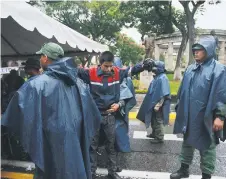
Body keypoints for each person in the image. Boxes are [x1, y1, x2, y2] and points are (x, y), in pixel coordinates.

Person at [1, 42, 101, 179]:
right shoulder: (78, 83)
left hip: (50, 143)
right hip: (75, 140)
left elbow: (15, 115)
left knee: (52, 171)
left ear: (46, 58)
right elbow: (93, 116)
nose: (40, 59)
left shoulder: (36, 85)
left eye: (41, 56)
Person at [77, 51, 150, 179]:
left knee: (111, 145)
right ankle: (91, 173)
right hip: (95, 116)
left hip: (110, 116)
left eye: (111, 66)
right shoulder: (91, 73)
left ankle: (112, 172)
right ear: (100, 65)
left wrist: (143, 65)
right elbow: (73, 71)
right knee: (92, 146)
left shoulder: (116, 72)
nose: (109, 69)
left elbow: (131, 70)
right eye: (106, 66)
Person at [170, 36, 226, 179]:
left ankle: (206, 175)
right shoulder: (190, 69)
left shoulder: (219, 70)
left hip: (207, 116)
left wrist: (220, 116)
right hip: (190, 115)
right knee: (187, 142)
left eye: (199, 50)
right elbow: (182, 90)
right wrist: (179, 107)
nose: (195, 52)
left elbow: (222, 94)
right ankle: (184, 169)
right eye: (194, 50)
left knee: (208, 145)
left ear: (209, 51)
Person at [137, 60, 171, 144]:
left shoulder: (163, 78)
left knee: (158, 120)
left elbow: (164, 93)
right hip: (153, 103)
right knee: (153, 118)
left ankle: (159, 137)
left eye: (155, 68)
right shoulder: (158, 77)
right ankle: (154, 133)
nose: (153, 70)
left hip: (159, 104)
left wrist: (158, 105)